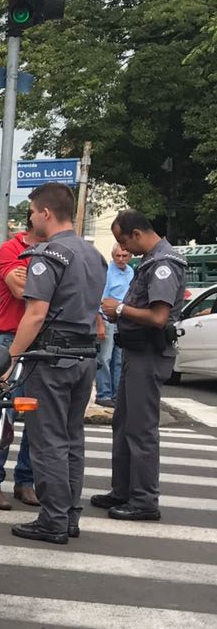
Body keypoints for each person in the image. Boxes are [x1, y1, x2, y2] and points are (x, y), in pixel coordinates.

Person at [4, 182, 106, 545]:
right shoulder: (95, 255)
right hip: (84, 358)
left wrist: (11, 357)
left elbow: (34, 313)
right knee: (72, 439)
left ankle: (53, 520)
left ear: (45, 212)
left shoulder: (49, 255)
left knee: (47, 441)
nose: (30, 218)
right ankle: (69, 516)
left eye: (32, 212)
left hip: (51, 359)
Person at [91, 210, 187, 522]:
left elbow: (159, 317)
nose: (124, 249)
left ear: (136, 233)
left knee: (141, 430)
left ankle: (144, 500)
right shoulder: (149, 260)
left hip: (149, 353)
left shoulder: (162, 263)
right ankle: (123, 490)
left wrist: (120, 308)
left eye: (123, 241)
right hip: (136, 352)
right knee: (124, 424)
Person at [0, 211, 38, 509]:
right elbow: (19, 291)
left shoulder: (54, 251)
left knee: (37, 417)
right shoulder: (11, 248)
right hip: (10, 340)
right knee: (2, 417)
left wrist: (32, 277)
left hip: (42, 342)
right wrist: (47, 283)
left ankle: (26, 481)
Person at [94, 243, 133, 406]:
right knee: (105, 358)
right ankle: (104, 394)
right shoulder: (107, 273)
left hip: (124, 319)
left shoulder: (131, 272)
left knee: (119, 360)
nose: (121, 259)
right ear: (112, 256)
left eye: (124, 256)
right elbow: (99, 299)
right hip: (108, 319)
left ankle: (117, 395)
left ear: (130, 257)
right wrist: (100, 324)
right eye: (118, 256)